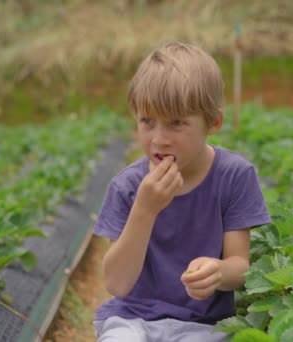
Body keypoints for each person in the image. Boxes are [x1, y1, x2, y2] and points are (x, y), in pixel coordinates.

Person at [92, 42, 271, 341]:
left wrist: (218, 272)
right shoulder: (126, 187)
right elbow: (116, 283)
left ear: (213, 122)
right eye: (147, 122)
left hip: (204, 325)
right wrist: (145, 209)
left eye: (177, 123)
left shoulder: (234, 176)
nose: (159, 140)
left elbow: (239, 266)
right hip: (131, 319)